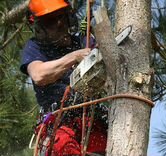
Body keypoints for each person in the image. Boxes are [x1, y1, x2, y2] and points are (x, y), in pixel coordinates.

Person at [20, 0, 107, 155]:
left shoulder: (82, 41)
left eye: (60, 17)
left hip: (92, 119)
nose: (58, 24)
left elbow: (106, 64)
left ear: (68, 18)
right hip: (60, 122)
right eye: (51, 20)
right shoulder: (35, 47)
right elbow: (38, 74)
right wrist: (73, 57)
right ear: (40, 27)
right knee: (63, 148)